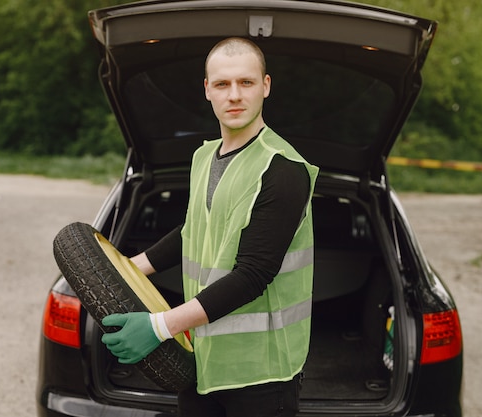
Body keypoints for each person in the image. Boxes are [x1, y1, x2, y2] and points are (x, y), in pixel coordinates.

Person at [101, 37, 319, 417]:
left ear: (265, 86)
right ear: (207, 90)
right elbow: (193, 231)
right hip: (203, 360)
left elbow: (253, 275)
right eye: (222, 84)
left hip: (261, 374)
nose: (234, 95)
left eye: (246, 83)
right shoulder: (204, 156)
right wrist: (127, 268)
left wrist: (158, 326)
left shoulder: (282, 169)